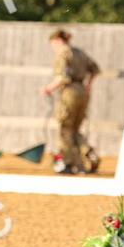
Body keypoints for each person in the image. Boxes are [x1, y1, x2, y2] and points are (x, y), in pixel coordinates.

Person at [39, 28, 100, 175]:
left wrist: (47, 89)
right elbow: (95, 69)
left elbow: (62, 78)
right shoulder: (79, 52)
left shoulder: (63, 53)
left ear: (58, 40)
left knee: (65, 129)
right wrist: (87, 84)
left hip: (69, 93)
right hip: (83, 92)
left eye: (53, 43)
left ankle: (69, 163)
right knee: (75, 129)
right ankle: (88, 153)